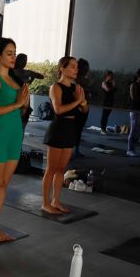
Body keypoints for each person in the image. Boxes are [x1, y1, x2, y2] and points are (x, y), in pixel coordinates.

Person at [0, 38, 29, 242]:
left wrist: (24, 102)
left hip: (15, 136)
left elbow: (22, 109)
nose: (13, 56)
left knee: (3, 184)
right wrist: (17, 104)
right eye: (9, 53)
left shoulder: (16, 81)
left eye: (14, 53)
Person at [41, 56, 86, 214]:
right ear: (62, 68)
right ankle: (45, 203)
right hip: (58, 129)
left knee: (61, 169)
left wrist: (82, 102)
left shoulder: (76, 89)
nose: (76, 69)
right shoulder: (56, 87)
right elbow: (58, 110)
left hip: (70, 129)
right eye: (72, 66)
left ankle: (56, 200)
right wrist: (77, 101)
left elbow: (84, 110)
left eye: (76, 67)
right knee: (51, 169)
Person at [72, 58, 91, 158]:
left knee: (79, 130)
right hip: (76, 108)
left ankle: (76, 150)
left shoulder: (84, 80)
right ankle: (71, 150)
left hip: (84, 107)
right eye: (84, 69)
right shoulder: (75, 80)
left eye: (87, 69)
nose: (86, 71)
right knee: (74, 130)